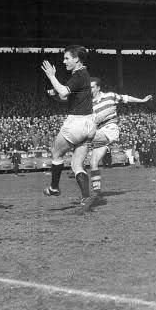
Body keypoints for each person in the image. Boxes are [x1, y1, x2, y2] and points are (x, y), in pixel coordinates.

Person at [41, 45, 97, 213]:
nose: (64, 61)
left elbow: (64, 93)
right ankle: (86, 197)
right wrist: (55, 95)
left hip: (77, 123)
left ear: (76, 59)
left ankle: (54, 187)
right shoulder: (83, 75)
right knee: (77, 164)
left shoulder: (79, 74)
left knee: (56, 153)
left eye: (67, 58)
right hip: (89, 124)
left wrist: (51, 76)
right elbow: (67, 99)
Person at [88, 77, 152, 194]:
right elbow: (93, 121)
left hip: (110, 129)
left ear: (98, 88)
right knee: (93, 163)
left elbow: (126, 98)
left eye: (92, 87)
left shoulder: (110, 96)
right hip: (99, 132)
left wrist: (142, 101)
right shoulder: (89, 104)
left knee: (83, 138)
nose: (89, 90)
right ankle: (97, 193)